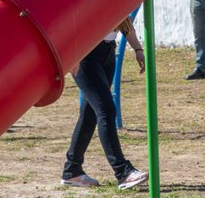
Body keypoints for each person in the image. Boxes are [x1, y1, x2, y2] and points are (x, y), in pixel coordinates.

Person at [60, 18, 149, 189]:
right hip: (85, 55)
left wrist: (137, 48)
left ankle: (72, 171)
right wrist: (72, 53)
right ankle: (123, 172)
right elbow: (69, 21)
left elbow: (125, 22)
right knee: (106, 111)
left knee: (89, 115)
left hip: (107, 53)